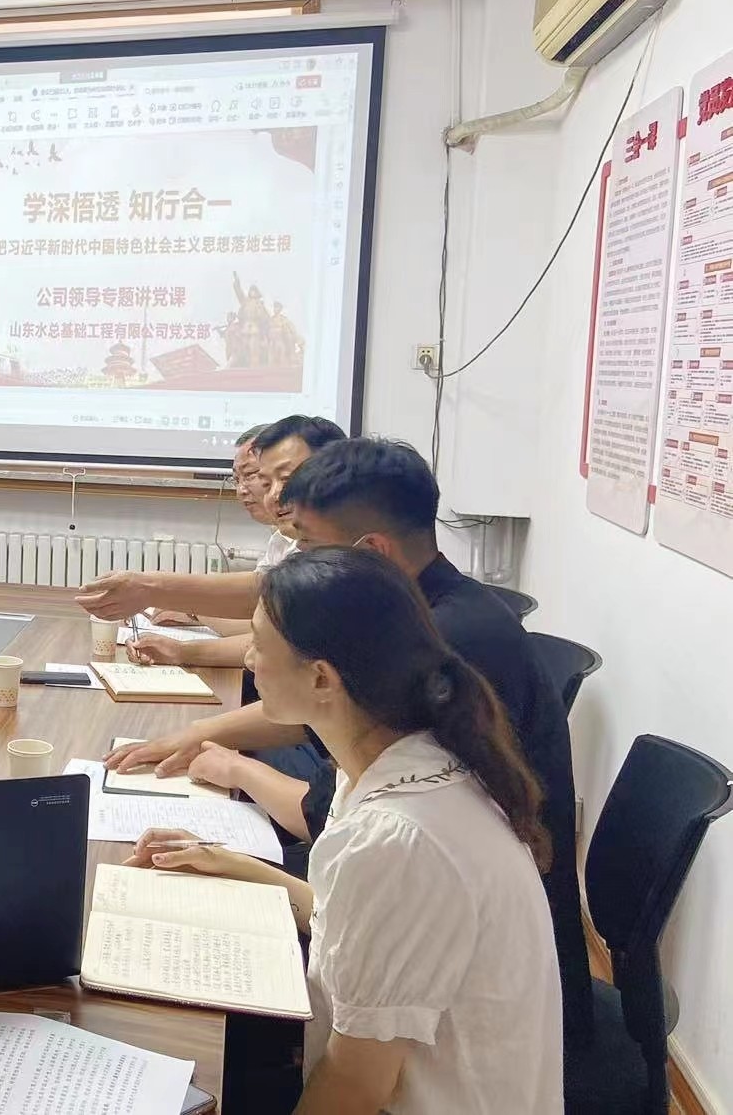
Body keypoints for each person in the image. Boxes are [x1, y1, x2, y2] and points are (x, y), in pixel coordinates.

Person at [107, 437, 591, 1042]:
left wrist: (229, 764)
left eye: (308, 544)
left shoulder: (436, 657)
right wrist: (227, 842)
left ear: (372, 553)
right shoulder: (415, 629)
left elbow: (362, 1070)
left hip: (482, 1003)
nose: (294, 560)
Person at [126, 546, 562, 1114]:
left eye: (258, 643)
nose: (249, 660)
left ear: (321, 678)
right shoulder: (403, 762)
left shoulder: (396, 840)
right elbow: (346, 922)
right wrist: (232, 865)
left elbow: (356, 1086)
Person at [88, 415, 344, 668]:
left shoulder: (348, 562)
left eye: (285, 479)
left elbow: (263, 600)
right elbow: (265, 609)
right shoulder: (289, 539)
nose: (274, 494)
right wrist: (179, 639)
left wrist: (153, 591)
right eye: (267, 482)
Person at [129, 424, 273, 670]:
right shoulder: (281, 537)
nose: (241, 490)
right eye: (236, 479)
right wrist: (191, 615)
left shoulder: (315, 548)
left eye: (251, 475)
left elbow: (271, 640)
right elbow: (263, 625)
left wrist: (184, 639)